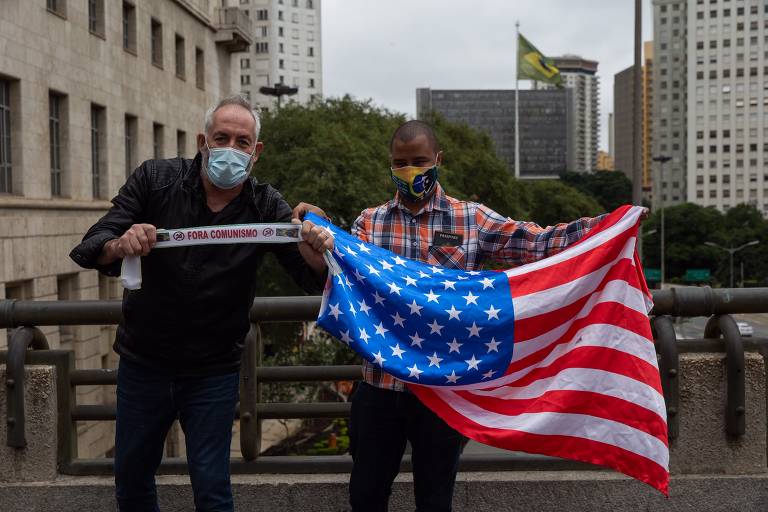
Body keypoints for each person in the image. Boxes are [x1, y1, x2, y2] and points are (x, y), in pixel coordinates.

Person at [70, 94, 333, 512]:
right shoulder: (155, 180)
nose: (231, 149)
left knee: (212, 489)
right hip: (144, 364)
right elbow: (90, 245)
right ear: (202, 141)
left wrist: (317, 251)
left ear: (256, 152)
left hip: (214, 371)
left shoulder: (266, 204)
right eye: (221, 137)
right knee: (132, 480)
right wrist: (121, 244)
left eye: (242, 142)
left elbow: (310, 277)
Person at [343, 120, 607, 512]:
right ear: (390, 164)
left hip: (443, 391)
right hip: (380, 386)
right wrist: (314, 231)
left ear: (438, 160)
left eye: (419, 160)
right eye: (400, 163)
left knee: (435, 501)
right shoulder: (368, 223)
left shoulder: (472, 219)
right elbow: (341, 272)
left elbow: (532, 243)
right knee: (365, 496)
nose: (410, 171)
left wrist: (603, 227)